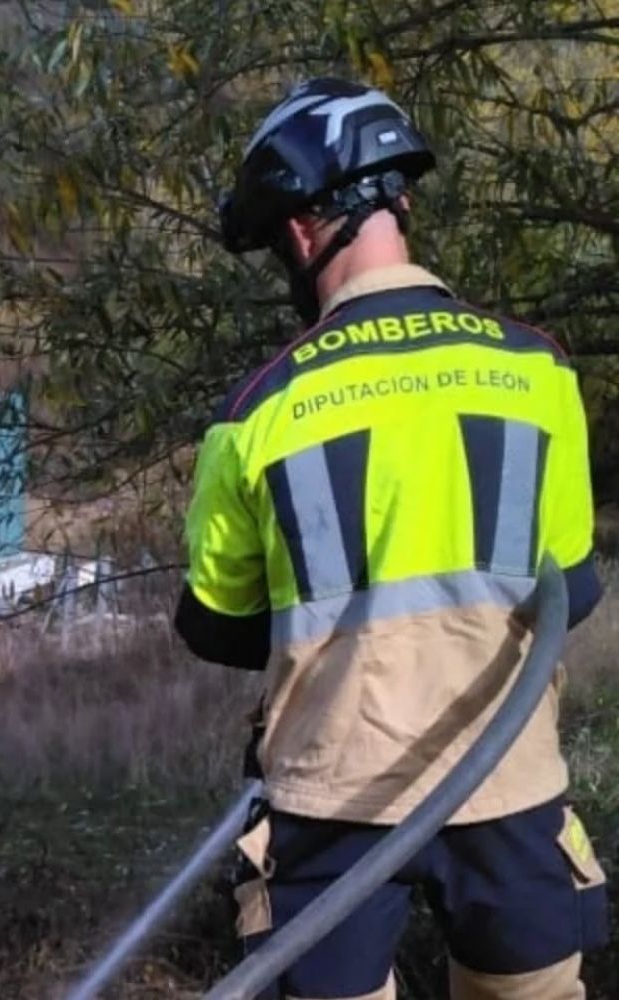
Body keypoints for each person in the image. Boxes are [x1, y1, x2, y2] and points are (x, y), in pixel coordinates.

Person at [175, 77, 609, 1000]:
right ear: (398, 204)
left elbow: (214, 625)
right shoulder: (536, 370)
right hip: (508, 786)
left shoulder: (258, 412)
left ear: (299, 233)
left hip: (333, 800)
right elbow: (572, 584)